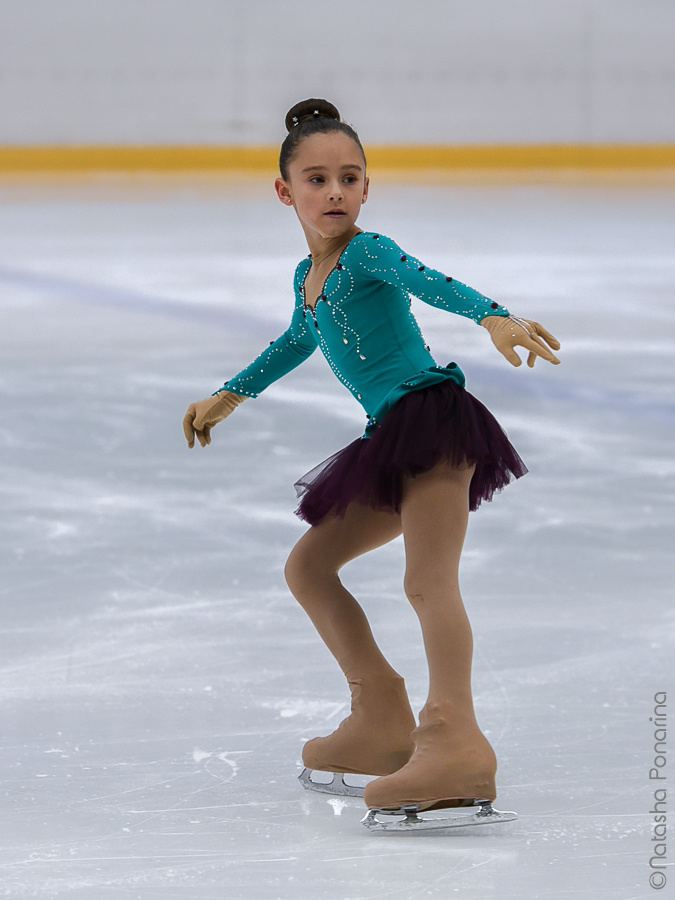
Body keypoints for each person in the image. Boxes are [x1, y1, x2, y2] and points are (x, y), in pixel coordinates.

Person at [183, 98, 560, 820]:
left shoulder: (369, 251)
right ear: (284, 191)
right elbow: (297, 339)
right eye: (317, 179)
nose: (334, 192)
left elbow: (431, 280)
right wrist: (230, 394)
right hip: (388, 436)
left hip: (432, 423)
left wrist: (493, 315)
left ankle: (455, 741)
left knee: (426, 582)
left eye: (349, 178)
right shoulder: (307, 274)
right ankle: (380, 714)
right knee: (309, 567)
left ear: (366, 187)